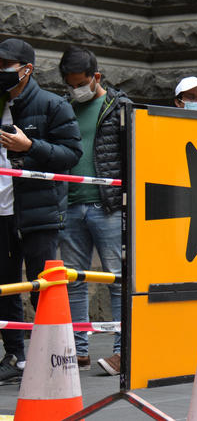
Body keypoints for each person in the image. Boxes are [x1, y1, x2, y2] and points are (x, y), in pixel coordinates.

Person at [0, 38, 82, 384]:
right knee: (5, 285)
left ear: (26, 69)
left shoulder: (52, 105)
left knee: (43, 287)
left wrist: (29, 145)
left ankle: (51, 355)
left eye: (4, 65)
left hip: (38, 212)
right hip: (2, 211)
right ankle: (16, 356)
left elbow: (71, 155)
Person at [58, 46, 131, 376]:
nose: (75, 89)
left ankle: (121, 351)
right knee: (74, 281)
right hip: (71, 204)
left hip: (108, 206)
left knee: (117, 279)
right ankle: (79, 350)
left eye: (80, 83)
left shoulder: (119, 107)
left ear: (96, 77)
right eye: (70, 84)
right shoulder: (63, 108)